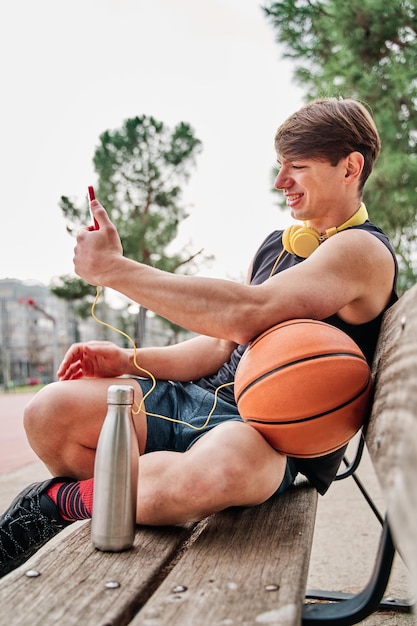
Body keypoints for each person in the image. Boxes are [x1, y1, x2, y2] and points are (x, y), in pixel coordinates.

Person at [0, 97, 398, 578]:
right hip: (196, 399)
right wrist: (125, 358)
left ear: (350, 166)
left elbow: (248, 314)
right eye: (279, 167)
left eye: (298, 167)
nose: (280, 182)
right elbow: (217, 345)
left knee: (223, 469)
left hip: (265, 433)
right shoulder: (276, 245)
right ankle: (155, 490)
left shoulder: (361, 251)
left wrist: (115, 270)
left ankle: (62, 503)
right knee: (49, 412)